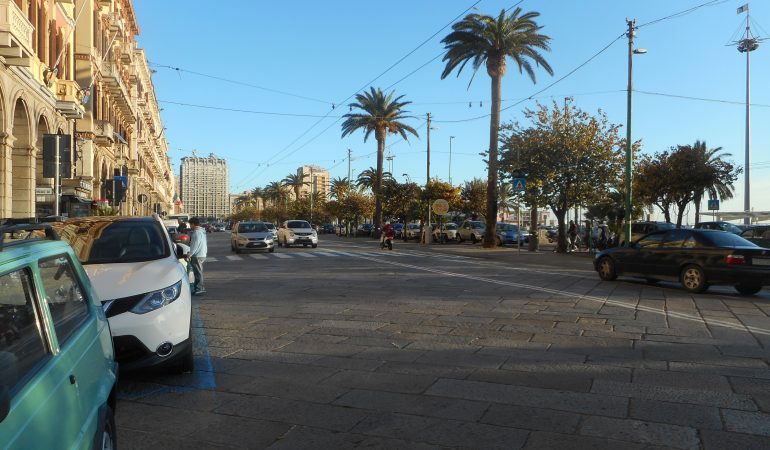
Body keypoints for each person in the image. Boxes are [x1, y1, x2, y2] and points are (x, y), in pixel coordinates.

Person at [186, 217, 208, 295]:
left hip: (197, 255)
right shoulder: (202, 231)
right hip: (202, 254)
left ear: (193, 224)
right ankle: (197, 288)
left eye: (190, 224)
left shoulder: (196, 233)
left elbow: (195, 244)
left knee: (198, 273)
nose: (190, 226)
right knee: (198, 272)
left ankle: (200, 288)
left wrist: (190, 254)